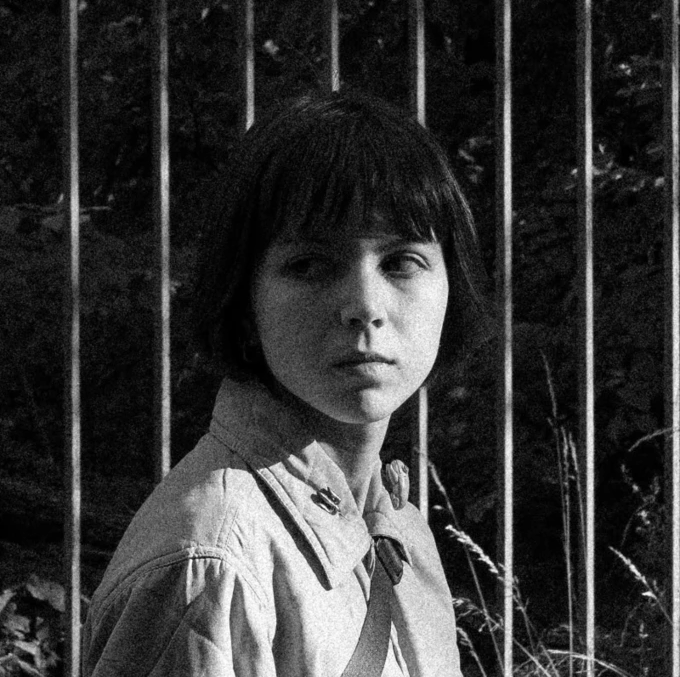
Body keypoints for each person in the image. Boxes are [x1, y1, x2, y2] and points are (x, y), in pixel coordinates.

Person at [82, 90, 491, 676]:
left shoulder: (401, 530)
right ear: (244, 301)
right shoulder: (212, 564)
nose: (364, 305)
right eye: (310, 265)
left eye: (401, 261)